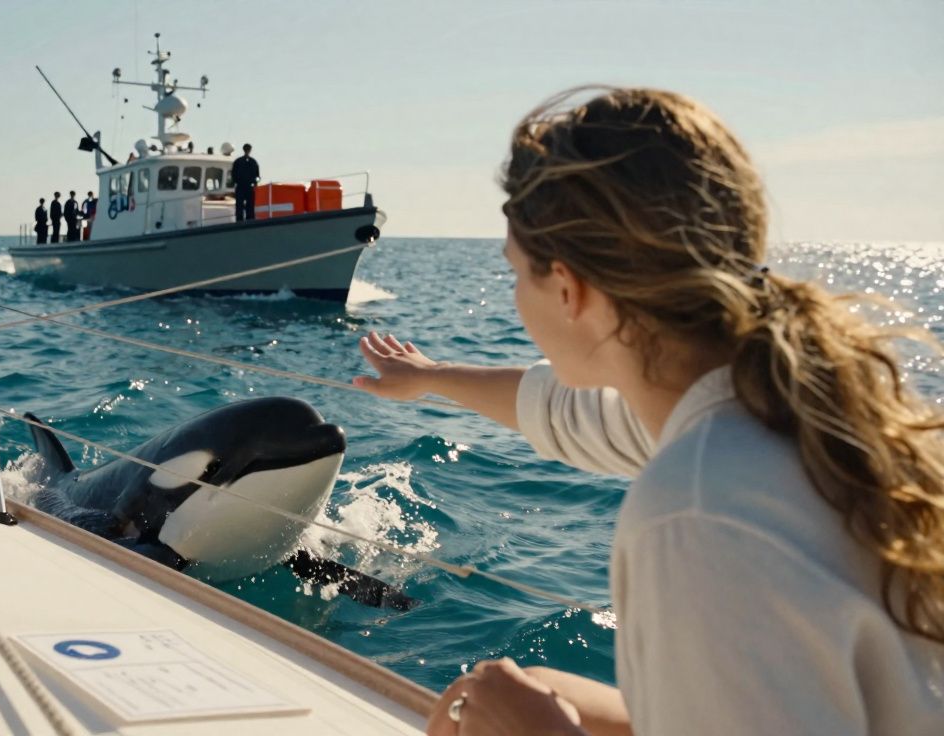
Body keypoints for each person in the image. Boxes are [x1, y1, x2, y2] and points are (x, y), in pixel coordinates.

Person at [353, 88, 944, 736]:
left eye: (518, 273)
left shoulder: (696, 511)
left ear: (569, 289)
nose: (517, 294)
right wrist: (432, 378)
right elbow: (568, 412)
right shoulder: (779, 410)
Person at [230, 143, 259, 221]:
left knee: (246, 206)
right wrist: (255, 183)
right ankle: (247, 220)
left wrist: (255, 183)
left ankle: (244, 220)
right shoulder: (252, 162)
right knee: (243, 206)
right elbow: (257, 176)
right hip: (245, 187)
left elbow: (257, 176)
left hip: (244, 187)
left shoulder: (239, 162)